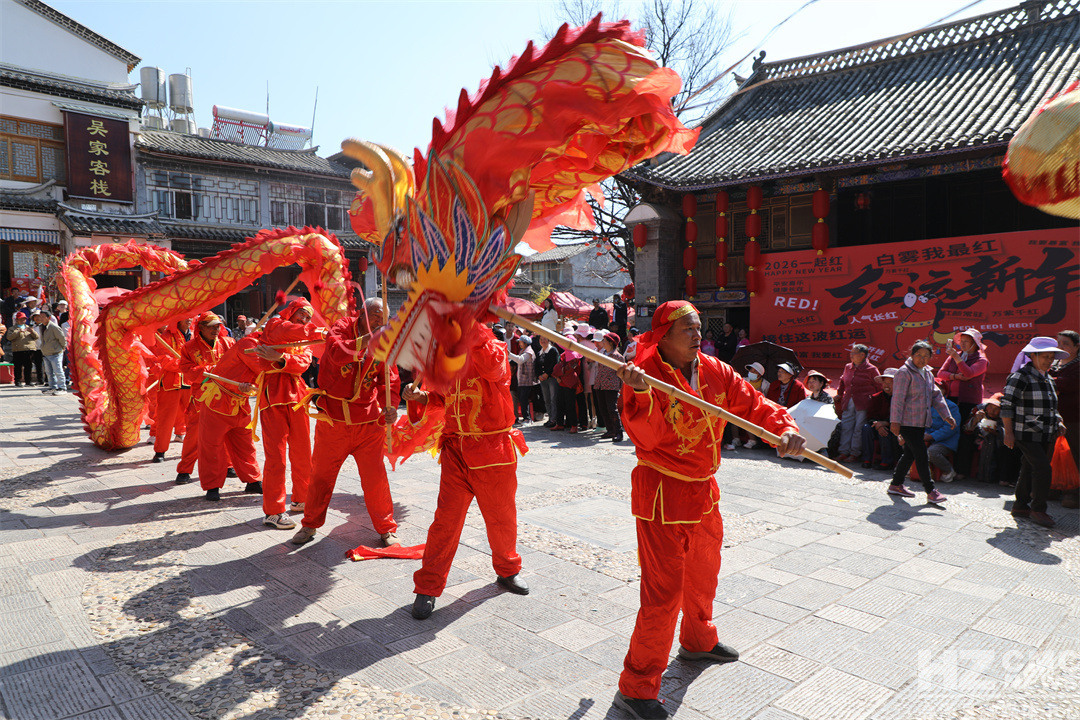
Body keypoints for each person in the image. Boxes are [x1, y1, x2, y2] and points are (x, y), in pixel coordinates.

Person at [613, 300, 804, 720]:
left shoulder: (715, 370)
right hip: (663, 493)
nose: (698, 335)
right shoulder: (644, 375)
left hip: (704, 491)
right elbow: (647, 438)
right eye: (688, 329)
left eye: (699, 327)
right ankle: (637, 686)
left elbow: (754, 403)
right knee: (663, 594)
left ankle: (698, 640)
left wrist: (784, 428)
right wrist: (641, 393)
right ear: (663, 336)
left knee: (704, 574)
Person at [403, 324, 529, 620]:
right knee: (444, 521)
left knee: (501, 518)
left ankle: (507, 570)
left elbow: (494, 370)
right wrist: (420, 397)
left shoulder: (494, 348)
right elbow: (442, 398)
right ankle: (428, 586)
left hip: (492, 451)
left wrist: (471, 330)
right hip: (455, 451)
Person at [292, 298, 400, 545]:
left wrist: (390, 405)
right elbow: (336, 353)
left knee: (376, 478)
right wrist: (367, 341)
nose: (380, 322)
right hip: (334, 421)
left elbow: (389, 379)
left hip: (368, 423)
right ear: (361, 314)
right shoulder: (341, 327)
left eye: (384, 318)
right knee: (321, 476)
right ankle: (309, 525)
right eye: (375, 316)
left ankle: (386, 528)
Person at [254, 298, 320, 529]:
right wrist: (312, 331)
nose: (305, 320)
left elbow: (304, 363)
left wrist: (281, 358)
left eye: (308, 317)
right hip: (273, 395)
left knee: (303, 452)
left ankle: (302, 499)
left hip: (298, 395)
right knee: (276, 457)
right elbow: (283, 332)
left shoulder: (305, 339)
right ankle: (273, 511)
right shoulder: (275, 324)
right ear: (291, 312)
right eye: (302, 314)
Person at [192, 326, 272, 501]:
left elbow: (260, 378)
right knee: (212, 446)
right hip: (218, 400)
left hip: (240, 402)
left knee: (245, 445)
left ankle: (253, 480)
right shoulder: (249, 344)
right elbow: (264, 371)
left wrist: (249, 387)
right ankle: (212, 485)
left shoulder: (269, 348)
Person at [1001, 336, 1068, 528]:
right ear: (1033, 356)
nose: (1048, 360)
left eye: (1051, 357)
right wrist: (1008, 432)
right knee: (1043, 468)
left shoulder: (1048, 378)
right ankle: (1039, 509)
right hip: (1025, 431)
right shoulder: (1020, 376)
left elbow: (1050, 406)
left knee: (1029, 467)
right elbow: (1007, 405)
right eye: (1045, 356)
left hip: (1045, 432)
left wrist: (1058, 420)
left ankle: (1020, 505)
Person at [888, 340, 955, 503]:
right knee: (921, 454)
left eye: (926, 356)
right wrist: (895, 421)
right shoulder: (904, 372)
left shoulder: (928, 374)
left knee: (910, 453)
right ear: (912, 355)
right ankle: (930, 491)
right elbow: (897, 399)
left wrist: (946, 415)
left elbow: (936, 396)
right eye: (918, 355)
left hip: (921, 421)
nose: (922, 359)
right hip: (906, 421)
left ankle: (895, 484)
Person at [176, 313, 235, 485]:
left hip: (225, 395)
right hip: (201, 397)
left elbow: (237, 364)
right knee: (194, 434)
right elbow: (187, 371)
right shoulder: (189, 347)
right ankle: (185, 469)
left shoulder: (228, 343)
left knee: (226, 431)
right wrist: (211, 370)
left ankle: (229, 465)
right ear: (200, 327)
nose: (215, 330)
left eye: (218, 326)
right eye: (211, 326)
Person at [149, 317, 192, 462]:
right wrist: (184, 365)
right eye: (186, 317)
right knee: (165, 419)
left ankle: (193, 450)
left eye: (191, 316)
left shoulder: (195, 336)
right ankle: (160, 451)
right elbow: (163, 359)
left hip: (190, 382)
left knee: (194, 419)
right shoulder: (166, 337)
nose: (189, 319)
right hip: (170, 382)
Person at [835, 344, 880, 463]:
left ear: (862, 355)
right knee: (846, 426)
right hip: (849, 400)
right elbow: (842, 380)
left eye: (854, 353)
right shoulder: (848, 367)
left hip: (863, 402)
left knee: (859, 428)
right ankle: (843, 451)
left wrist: (874, 401)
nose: (851, 355)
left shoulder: (871, 369)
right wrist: (840, 393)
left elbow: (879, 386)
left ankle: (855, 453)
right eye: (851, 353)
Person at [937, 329, 988, 429]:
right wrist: (955, 376)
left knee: (964, 426)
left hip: (969, 400)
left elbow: (969, 373)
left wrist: (957, 358)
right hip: (950, 397)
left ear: (974, 343)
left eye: (966, 341)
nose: (962, 344)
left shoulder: (981, 360)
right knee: (949, 425)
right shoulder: (954, 356)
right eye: (961, 341)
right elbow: (941, 373)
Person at [1051, 330, 1078, 509]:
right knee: (1051, 454)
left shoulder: (1077, 366)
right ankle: (1051, 489)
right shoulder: (1053, 364)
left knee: (1073, 454)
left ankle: (1073, 493)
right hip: (1051, 417)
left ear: (1077, 347)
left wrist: (1053, 382)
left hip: (1073, 418)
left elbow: (1069, 383)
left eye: (1065, 343)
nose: (1060, 346)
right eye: (1058, 342)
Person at [861, 368, 899, 470]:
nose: (887, 386)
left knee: (885, 432)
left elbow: (901, 416)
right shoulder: (876, 397)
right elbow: (870, 415)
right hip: (877, 424)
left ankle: (887, 461)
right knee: (866, 428)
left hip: (894, 426)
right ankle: (867, 459)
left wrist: (885, 423)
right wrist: (878, 424)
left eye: (890, 383)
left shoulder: (901, 398)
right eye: (885, 383)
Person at [925, 390, 962, 483]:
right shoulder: (925, 404)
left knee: (932, 452)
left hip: (945, 440)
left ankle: (949, 470)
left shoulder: (951, 406)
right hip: (926, 435)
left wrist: (932, 436)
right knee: (908, 441)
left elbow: (950, 428)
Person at [593, 331, 624, 442]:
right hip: (600, 384)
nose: (603, 342)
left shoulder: (618, 357)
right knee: (603, 408)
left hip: (611, 385)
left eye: (605, 341)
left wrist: (620, 387)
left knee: (612, 409)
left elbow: (621, 373)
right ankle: (610, 430)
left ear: (611, 343)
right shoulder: (602, 354)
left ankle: (618, 431)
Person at [551, 343, 582, 433]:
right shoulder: (563, 355)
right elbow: (559, 367)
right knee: (559, 403)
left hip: (570, 383)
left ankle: (574, 425)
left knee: (570, 405)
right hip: (561, 382)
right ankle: (559, 424)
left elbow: (569, 369)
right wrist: (557, 375)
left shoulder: (575, 356)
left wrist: (558, 372)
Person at [33, 311, 66, 395]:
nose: (41, 318)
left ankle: (62, 388)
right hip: (46, 352)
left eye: (43, 317)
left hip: (55, 352)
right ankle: (52, 387)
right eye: (40, 316)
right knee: (49, 372)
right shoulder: (41, 326)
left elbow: (62, 338)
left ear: (49, 318)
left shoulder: (54, 327)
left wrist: (62, 347)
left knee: (58, 371)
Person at [507, 334, 537, 424]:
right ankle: (524, 418)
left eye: (520, 342)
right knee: (522, 399)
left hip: (526, 381)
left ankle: (527, 419)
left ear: (525, 343)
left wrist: (509, 354)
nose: (519, 344)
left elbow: (520, 360)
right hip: (522, 381)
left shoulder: (528, 352)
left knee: (524, 400)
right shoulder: (523, 351)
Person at [5, 312, 37, 387]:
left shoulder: (28, 327)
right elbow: (9, 337)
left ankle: (28, 381)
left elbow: (36, 337)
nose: (23, 321)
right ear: (17, 320)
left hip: (29, 349)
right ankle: (18, 381)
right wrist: (18, 331)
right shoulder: (12, 329)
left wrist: (32, 332)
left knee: (28, 366)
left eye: (24, 319)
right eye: (21, 319)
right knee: (18, 366)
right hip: (18, 349)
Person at [535, 335, 560, 427]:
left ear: (549, 340)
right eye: (541, 339)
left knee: (553, 399)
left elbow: (555, 364)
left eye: (545, 339)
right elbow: (536, 366)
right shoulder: (539, 353)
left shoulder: (553, 350)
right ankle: (550, 418)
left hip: (552, 378)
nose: (543, 341)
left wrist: (547, 374)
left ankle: (554, 419)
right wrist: (539, 375)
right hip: (543, 379)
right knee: (546, 399)